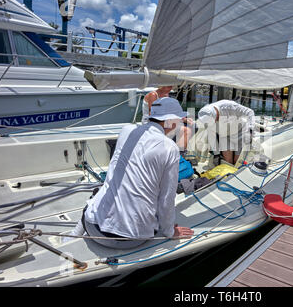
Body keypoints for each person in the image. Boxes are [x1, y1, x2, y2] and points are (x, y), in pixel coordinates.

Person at [71, 97, 194, 248]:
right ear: (169, 122)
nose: (180, 124)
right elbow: (166, 198)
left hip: (92, 226)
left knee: (99, 193)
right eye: (178, 120)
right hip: (129, 239)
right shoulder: (169, 147)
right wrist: (169, 231)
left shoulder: (127, 130)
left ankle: (71, 237)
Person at [197, 100, 255, 165]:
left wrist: (250, 130)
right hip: (224, 135)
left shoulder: (228, 106)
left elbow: (250, 112)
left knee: (237, 161)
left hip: (239, 132)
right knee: (228, 161)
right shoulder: (205, 118)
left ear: (215, 113)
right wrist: (216, 154)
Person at [142, 86, 192, 150]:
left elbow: (168, 112)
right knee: (181, 128)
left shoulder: (166, 95)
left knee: (188, 130)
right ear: (161, 86)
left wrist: (183, 119)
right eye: (168, 87)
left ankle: (178, 153)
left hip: (164, 120)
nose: (170, 89)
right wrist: (177, 120)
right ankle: (172, 152)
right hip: (152, 122)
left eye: (171, 86)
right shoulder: (153, 95)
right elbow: (153, 113)